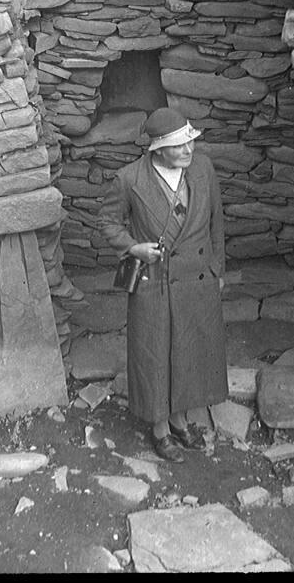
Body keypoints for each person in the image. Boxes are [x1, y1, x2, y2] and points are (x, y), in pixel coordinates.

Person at [98, 107, 228, 463]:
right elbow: (108, 222)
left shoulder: (202, 169)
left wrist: (217, 268)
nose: (189, 150)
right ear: (158, 149)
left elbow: (216, 221)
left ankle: (181, 419)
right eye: (179, 146)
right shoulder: (129, 179)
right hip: (154, 280)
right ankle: (159, 429)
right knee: (154, 353)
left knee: (189, 349)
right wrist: (133, 247)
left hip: (196, 278)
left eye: (190, 142)